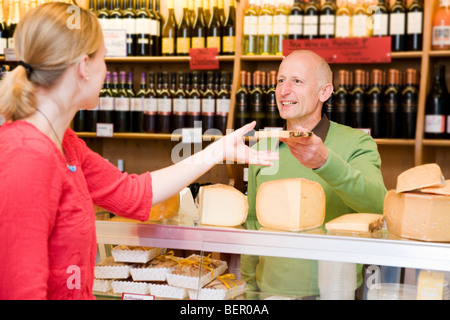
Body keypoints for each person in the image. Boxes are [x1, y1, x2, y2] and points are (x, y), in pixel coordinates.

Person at [0, 3, 278, 300]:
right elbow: (20, 289)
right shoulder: (25, 157)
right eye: (104, 59)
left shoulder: (66, 144)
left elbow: (135, 194)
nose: (106, 70)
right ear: (84, 66)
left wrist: (217, 151)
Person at [241, 50, 387, 298]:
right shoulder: (262, 148)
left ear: (324, 92)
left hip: (334, 293)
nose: (284, 91)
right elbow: (252, 226)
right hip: (269, 295)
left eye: (297, 81)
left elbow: (378, 203)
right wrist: (248, 292)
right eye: (280, 80)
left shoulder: (357, 143)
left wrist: (325, 162)